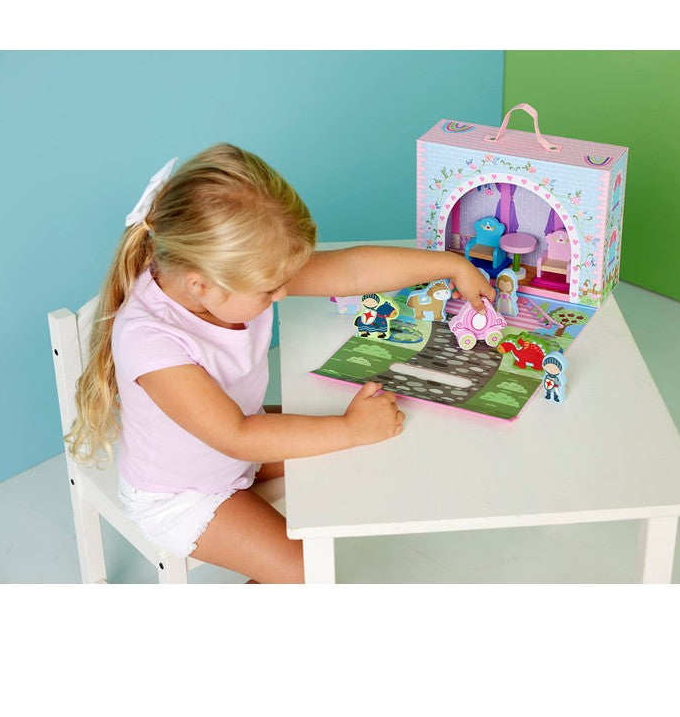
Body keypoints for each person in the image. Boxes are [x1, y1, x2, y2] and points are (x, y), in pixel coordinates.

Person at [67, 143, 495, 584]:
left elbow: (351, 270)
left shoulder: (233, 275)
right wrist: (349, 429)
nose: (283, 294)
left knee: (374, 450)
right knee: (308, 574)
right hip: (185, 495)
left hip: (238, 449)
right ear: (202, 286)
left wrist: (450, 265)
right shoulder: (150, 341)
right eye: (270, 290)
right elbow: (238, 436)